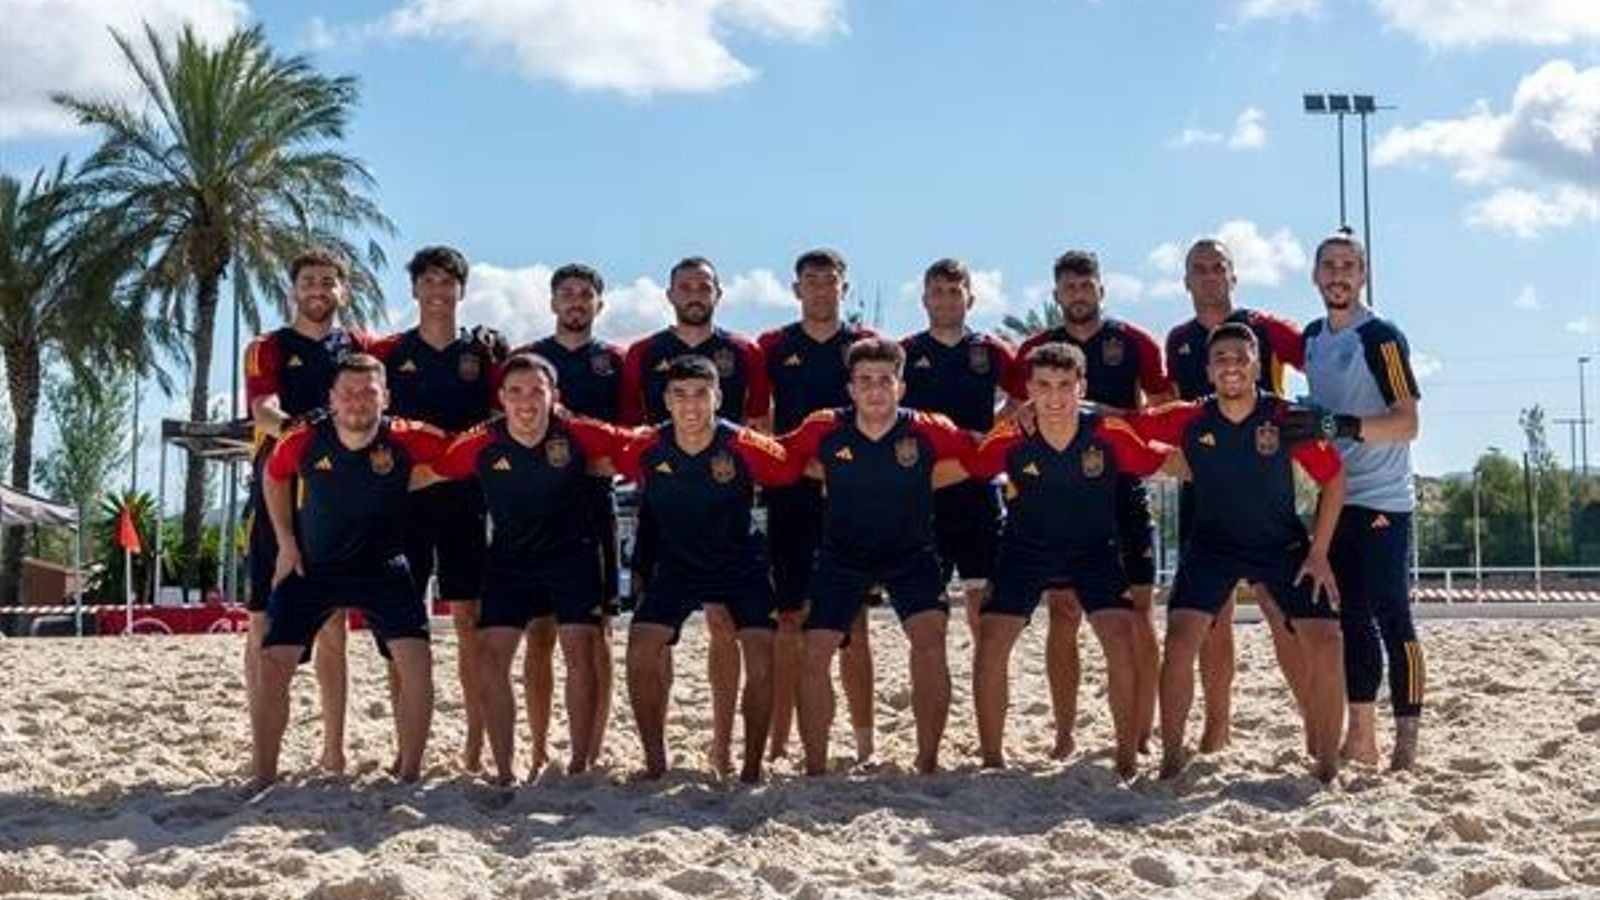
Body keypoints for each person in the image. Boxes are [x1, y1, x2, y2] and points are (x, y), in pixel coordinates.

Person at [1134, 323, 1347, 782]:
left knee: (1328, 641)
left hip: (1281, 545)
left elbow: (1334, 478)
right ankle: (1172, 760)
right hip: (1212, 545)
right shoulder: (1188, 418)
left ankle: (1327, 767)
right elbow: (1122, 430)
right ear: (1208, 371)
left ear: (1256, 364)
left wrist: (1320, 552)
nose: (1231, 365)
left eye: (1240, 356)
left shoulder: (1284, 417)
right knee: (1180, 639)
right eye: (1221, 358)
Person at [957, 343, 1173, 778]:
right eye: (1043, 386)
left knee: (1122, 636)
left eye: (1064, 386)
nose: (1054, 397)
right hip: (1024, 550)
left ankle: (1127, 758)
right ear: (1029, 390)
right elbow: (967, 465)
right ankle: (992, 759)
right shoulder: (1012, 435)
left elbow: (1164, 460)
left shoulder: (1108, 433)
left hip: (1093, 550)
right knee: (992, 638)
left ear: (1082, 387)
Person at [419, 353, 629, 784]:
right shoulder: (481, 441)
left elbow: (640, 448)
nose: (526, 401)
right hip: (510, 561)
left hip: (573, 556)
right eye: (515, 391)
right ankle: (505, 768)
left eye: (537, 390)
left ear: (555, 397)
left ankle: (577, 764)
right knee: (489, 657)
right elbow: (429, 468)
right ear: (501, 399)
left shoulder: (579, 432)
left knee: (580, 651)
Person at [1003, 250, 1172, 757]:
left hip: (1121, 491)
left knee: (1138, 615)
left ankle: (1141, 733)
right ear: (1056, 295)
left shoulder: (1134, 342)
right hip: (1059, 495)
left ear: (1101, 289)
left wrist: (1101, 414)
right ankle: (1063, 734)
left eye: (1086, 285)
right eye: (1068, 287)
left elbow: (1161, 411)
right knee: (1063, 613)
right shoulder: (1035, 349)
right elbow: (1013, 413)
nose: (1078, 294)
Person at [253, 354, 448, 787]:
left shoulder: (408, 438)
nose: (358, 401)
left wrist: (410, 479)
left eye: (368, 392)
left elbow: (458, 460)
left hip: (383, 569)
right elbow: (273, 475)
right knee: (272, 662)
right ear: (332, 398)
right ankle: (264, 775)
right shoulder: (304, 437)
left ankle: (411, 772)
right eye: (349, 393)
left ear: (386, 398)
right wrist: (286, 543)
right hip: (314, 569)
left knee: (417, 663)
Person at [782, 337, 974, 775]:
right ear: (850, 388)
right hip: (843, 554)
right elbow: (784, 458)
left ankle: (927, 761)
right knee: (813, 652)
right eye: (864, 380)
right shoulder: (824, 427)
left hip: (910, 552)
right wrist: (828, 471)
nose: (874, 390)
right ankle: (814, 767)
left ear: (900, 387)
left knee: (929, 642)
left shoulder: (929, 428)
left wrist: (925, 479)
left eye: (884, 380)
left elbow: (977, 459)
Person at [618, 256, 770, 776]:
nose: (694, 292)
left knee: (746, 641)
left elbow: (784, 447)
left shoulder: (743, 361)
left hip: (735, 541)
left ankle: (739, 757)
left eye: (703, 285)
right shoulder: (644, 363)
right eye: (685, 285)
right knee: (645, 644)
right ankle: (655, 759)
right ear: (669, 293)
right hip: (669, 538)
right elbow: (606, 441)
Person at [615, 356, 800, 782]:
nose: (691, 404)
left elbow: (795, 468)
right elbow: (600, 461)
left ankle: (751, 768)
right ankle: (655, 761)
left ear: (717, 397)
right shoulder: (645, 447)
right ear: (666, 400)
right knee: (641, 648)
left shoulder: (746, 445)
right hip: (677, 565)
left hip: (740, 565)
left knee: (761, 658)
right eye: (680, 395)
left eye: (701, 394)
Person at [1163, 238, 1309, 752]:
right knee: (1211, 616)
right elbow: (1170, 414)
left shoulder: (1265, 329)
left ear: (1233, 275)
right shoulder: (1178, 339)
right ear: (1185, 280)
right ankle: (1217, 726)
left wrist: (1324, 425)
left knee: (1280, 610)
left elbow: (1320, 359)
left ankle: (1313, 723)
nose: (1208, 275)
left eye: (1217, 267)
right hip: (1205, 490)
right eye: (1198, 268)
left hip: (1266, 488)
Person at [369, 246, 499, 772]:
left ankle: (473, 746)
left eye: (449, 282)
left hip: (466, 502)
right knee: (405, 626)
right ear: (415, 289)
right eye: (429, 282)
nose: (439, 292)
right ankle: (408, 747)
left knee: (469, 620)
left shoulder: (483, 355)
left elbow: (501, 418)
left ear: (462, 291)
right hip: (405, 503)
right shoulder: (389, 354)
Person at [242, 248, 371, 775]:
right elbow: (262, 408)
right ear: (294, 289)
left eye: (328, 281)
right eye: (309, 281)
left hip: (333, 501)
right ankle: (261, 752)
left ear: (343, 290)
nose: (318, 289)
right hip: (274, 492)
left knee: (333, 627)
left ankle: (333, 751)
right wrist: (308, 432)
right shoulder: (267, 347)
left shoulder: (358, 347)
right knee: (259, 623)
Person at [1302, 230, 1424, 771]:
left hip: (1384, 501)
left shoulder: (1382, 337)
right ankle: (1363, 737)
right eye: (1329, 265)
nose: (1338, 275)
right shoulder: (1312, 337)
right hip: (1336, 497)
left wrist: (1341, 425)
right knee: (1350, 618)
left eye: (1348, 265)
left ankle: (1408, 743)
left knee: (1393, 617)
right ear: (1314, 275)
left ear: (1364, 274)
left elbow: (1408, 422)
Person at [756, 248, 879, 763]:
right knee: (788, 620)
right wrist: (803, 468)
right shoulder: (773, 346)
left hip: (852, 500)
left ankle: (865, 740)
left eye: (830, 282)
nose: (822, 290)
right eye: (812, 281)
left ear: (843, 289)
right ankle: (782, 739)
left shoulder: (866, 347)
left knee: (854, 623)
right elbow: (760, 424)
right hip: (791, 493)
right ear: (796, 289)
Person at [522, 263, 624, 771]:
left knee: (597, 631)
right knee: (538, 633)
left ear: (598, 304)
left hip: (592, 505)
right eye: (567, 294)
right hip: (533, 507)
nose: (576, 302)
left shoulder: (614, 361)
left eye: (586, 294)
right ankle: (539, 746)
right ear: (553, 302)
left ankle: (590, 747)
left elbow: (628, 438)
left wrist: (581, 451)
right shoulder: (527, 361)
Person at [900, 258, 1014, 646]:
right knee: (927, 620)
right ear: (924, 300)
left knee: (984, 612)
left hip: (979, 490)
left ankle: (985, 705)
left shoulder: (991, 349)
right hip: (924, 490)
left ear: (971, 298)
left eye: (954, 290)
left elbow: (1022, 396)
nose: (946, 299)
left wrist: (993, 433)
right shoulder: (905, 353)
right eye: (937, 291)